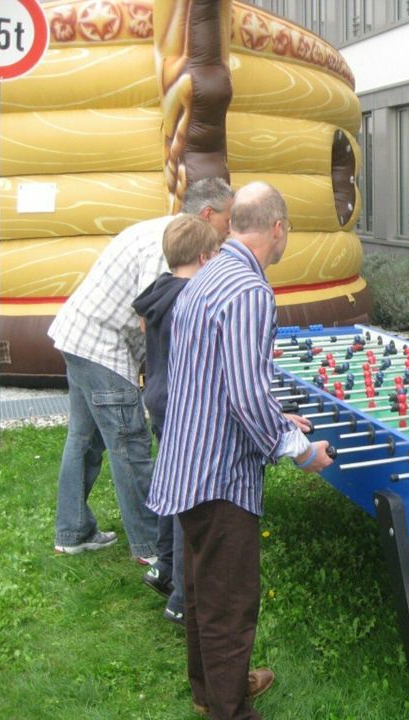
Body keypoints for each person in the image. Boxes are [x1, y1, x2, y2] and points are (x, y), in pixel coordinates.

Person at [148, 182, 334, 719]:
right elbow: (246, 393)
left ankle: (212, 691)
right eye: (288, 231)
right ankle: (230, 710)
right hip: (220, 473)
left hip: (187, 461)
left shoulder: (207, 274)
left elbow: (219, 375)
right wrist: (298, 449)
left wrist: (276, 414)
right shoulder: (251, 291)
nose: (286, 239)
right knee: (230, 599)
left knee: (204, 589)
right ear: (277, 228)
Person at [49, 177, 234, 562]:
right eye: (227, 221)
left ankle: (73, 531)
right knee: (130, 444)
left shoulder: (164, 231)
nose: (228, 232)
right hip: (103, 345)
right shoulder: (169, 247)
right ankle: (151, 547)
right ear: (207, 214)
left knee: (84, 439)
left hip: (77, 333)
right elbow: (152, 318)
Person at [132, 215, 224, 627]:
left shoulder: (159, 291)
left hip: (158, 399)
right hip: (180, 407)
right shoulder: (189, 299)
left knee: (171, 485)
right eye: (217, 255)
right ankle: (184, 600)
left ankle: (165, 567)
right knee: (190, 500)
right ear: (204, 257)